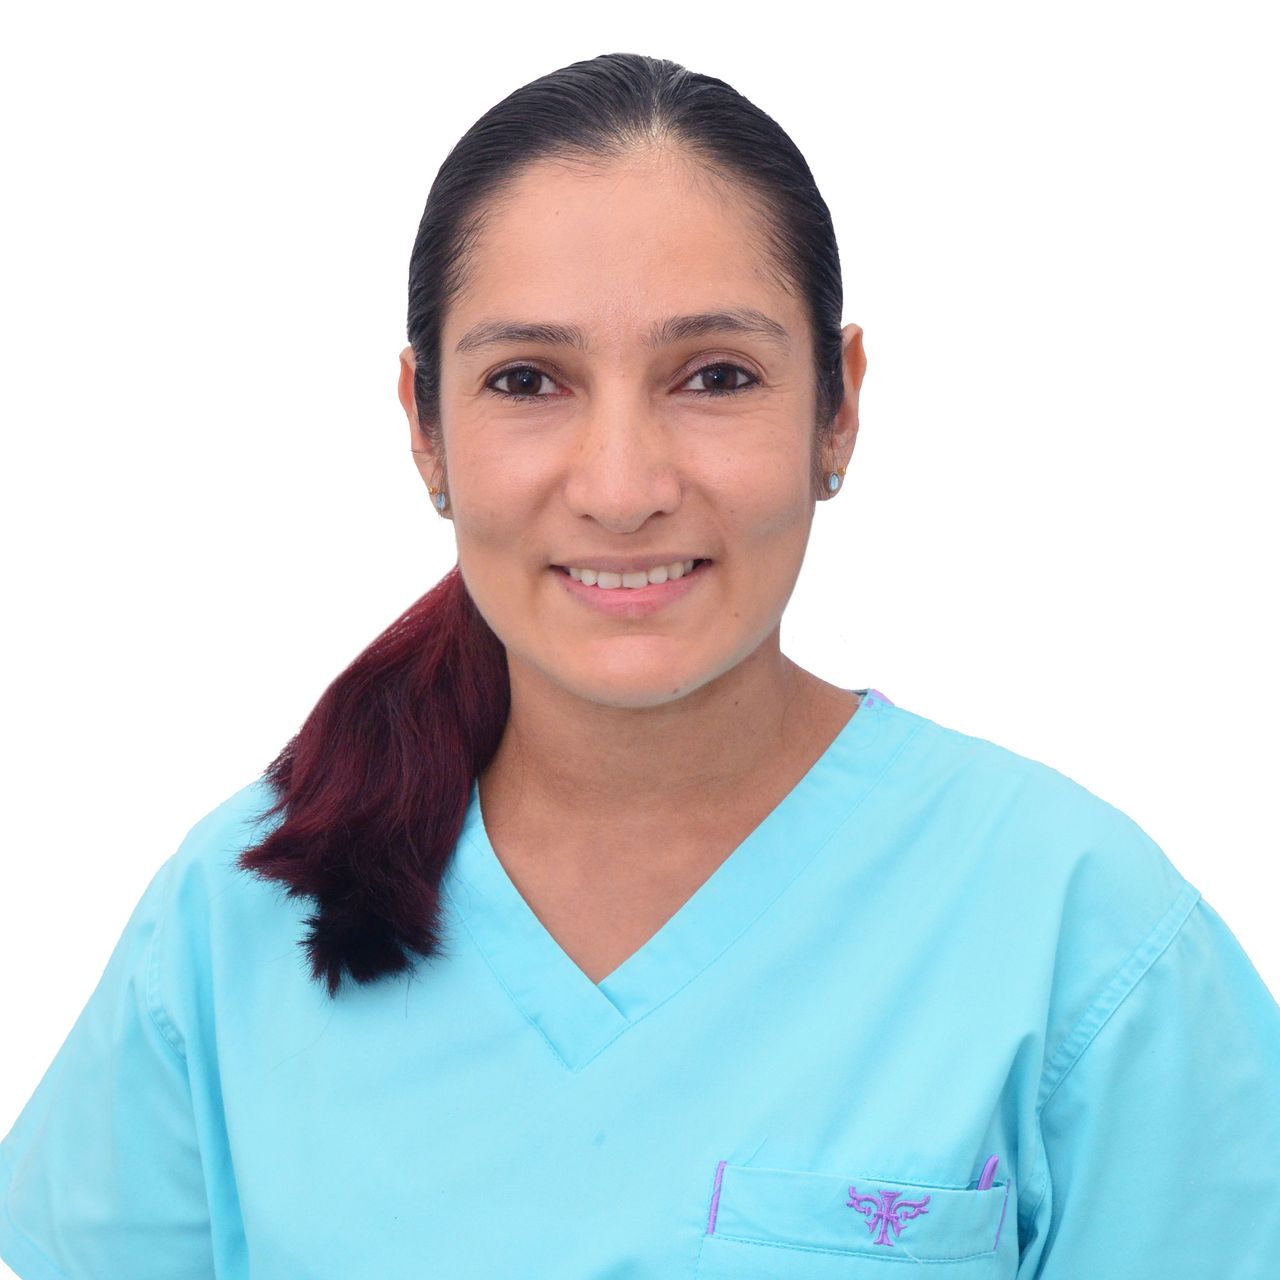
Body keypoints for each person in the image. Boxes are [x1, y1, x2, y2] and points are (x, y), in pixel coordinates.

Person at [1, 50, 1277, 1280]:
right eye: (526, 380)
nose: (621, 488)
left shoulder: (1078, 933)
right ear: (423, 427)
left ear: (836, 407)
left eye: (714, 376)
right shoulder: (235, 919)